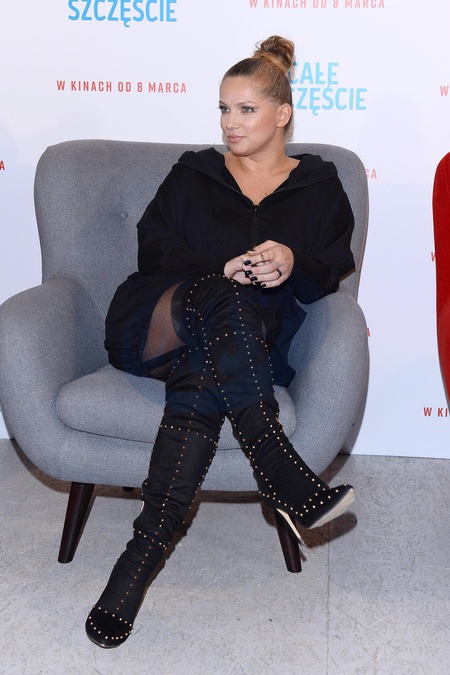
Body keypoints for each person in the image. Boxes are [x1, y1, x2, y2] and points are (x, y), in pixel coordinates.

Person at [85, 35, 356, 649]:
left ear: (282, 114)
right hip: (159, 321)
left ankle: (135, 566)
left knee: (206, 374)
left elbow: (329, 271)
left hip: (242, 349)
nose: (231, 123)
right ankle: (278, 467)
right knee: (221, 295)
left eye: (246, 110)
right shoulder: (194, 172)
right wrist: (219, 267)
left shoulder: (319, 185)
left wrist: (291, 259)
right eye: (224, 109)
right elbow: (154, 246)